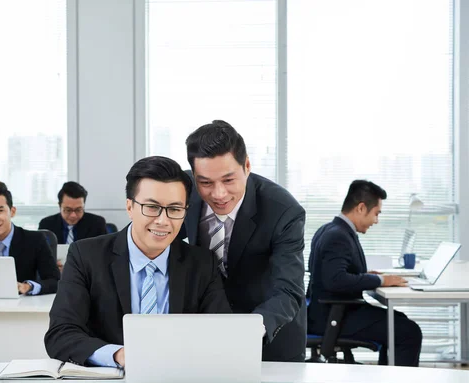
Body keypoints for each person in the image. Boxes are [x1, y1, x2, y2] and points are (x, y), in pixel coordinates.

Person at [44, 156, 231, 367]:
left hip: (180, 379)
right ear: (130, 207)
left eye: (175, 209)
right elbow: (60, 334)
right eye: (152, 207)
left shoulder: (201, 263)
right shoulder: (86, 255)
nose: (163, 220)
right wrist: (119, 356)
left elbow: (220, 334)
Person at [182, 120, 307, 362]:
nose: (218, 194)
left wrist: (247, 332)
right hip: (205, 334)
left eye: (229, 180)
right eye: (205, 182)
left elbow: (289, 290)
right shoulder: (182, 191)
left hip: (269, 336)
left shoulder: (283, 211)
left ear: (247, 166)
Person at [306, 180, 422, 366]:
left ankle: (389, 380)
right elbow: (335, 280)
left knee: (398, 321)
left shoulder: (330, 229)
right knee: (408, 332)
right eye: (376, 213)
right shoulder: (338, 236)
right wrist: (380, 280)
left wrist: (365, 274)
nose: (376, 220)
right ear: (361, 208)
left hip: (329, 311)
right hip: (332, 316)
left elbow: (330, 272)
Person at [39, 181, 107, 269]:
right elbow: (40, 257)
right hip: (57, 275)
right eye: (68, 210)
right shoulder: (46, 224)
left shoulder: (97, 223)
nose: (73, 215)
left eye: (79, 210)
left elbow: (105, 255)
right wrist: (51, 265)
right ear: (60, 206)